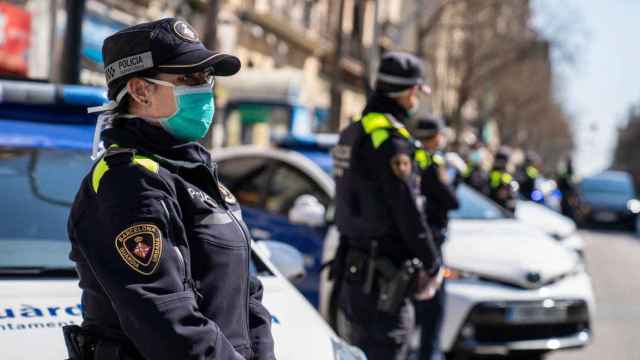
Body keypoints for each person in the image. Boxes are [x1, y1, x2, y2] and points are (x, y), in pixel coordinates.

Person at [65, 18, 275, 360]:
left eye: (206, 77)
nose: (204, 88)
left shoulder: (193, 173)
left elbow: (246, 294)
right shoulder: (128, 182)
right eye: (188, 78)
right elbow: (165, 316)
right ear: (140, 90)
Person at [331, 51, 442, 360]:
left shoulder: (354, 131)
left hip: (353, 276)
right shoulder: (391, 140)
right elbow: (407, 210)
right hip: (384, 283)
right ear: (409, 92)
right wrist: (432, 263)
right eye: (418, 91)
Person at [413, 116, 459, 360]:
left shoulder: (410, 158)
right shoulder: (431, 163)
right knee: (433, 312)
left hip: (415, 241)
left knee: (416, 311)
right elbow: (452, 201)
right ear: (434, 136)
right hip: (430, 243)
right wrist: (455, 178)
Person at [488, 147, 518, 213]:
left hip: (498, 211)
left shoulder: (507, 178)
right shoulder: (490, 173)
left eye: (502, 160)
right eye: (498, 159)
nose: (499, 162)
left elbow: (509, 199)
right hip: (487, 205)